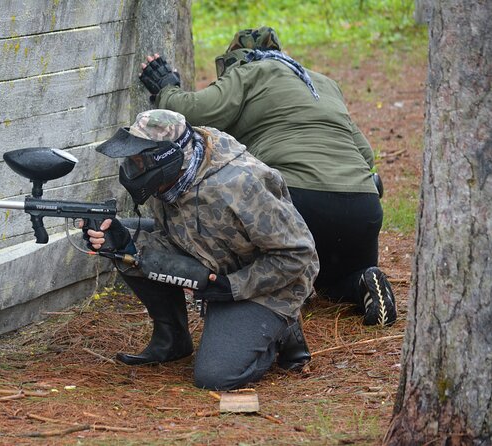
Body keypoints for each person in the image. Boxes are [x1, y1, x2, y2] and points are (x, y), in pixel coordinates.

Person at [137, 26, 397, 327]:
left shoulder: (250, 72)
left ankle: (273, 317)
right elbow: (365, 154)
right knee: (331, 283)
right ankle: (364, 280)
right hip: (362, 206)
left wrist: (166, 86)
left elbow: (191, 112)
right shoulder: (322, 82)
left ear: (236, 59)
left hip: (300, 202)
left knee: (259, 253)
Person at [84, 109, 319, 391]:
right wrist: (123, 241)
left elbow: (298, 255)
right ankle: (171, 340)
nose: (132, 170)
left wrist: (232, 286)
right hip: (215, 266)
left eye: (138, 161)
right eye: (130, 161)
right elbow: (178, 237)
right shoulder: (169, 183)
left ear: (166, 159)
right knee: (124, 244)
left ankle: (281, 332)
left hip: (270, 286)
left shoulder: (242, 184)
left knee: (215, 377)